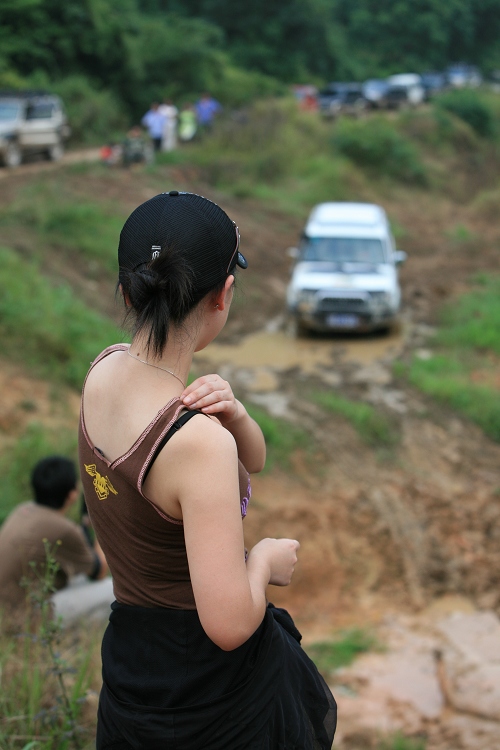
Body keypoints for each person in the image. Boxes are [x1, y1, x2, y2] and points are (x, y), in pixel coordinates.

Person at [78, 191, 337, 749]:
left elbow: (256, 460)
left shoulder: (100, 373)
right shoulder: (196, 444)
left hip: (132, 664)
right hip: (205, 694)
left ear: (126, 290)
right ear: (223, 295)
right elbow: (229, 626)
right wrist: (264, 558)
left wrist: (235, 413)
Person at [0, 456, 109, 627]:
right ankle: (73, 639)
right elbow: (99, 571)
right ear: (72, 495)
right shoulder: (63, 529)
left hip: (7, 609)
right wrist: (100, 519)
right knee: (114, 590)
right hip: (25, 618)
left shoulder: (23, 509)